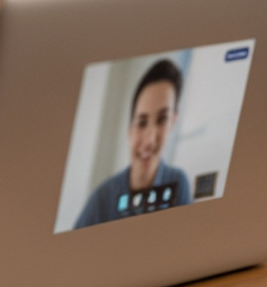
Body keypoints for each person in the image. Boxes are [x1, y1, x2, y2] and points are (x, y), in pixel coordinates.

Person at [74, 58, 192, 228]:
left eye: (162, 120)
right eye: (142, 123)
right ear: (130, 130)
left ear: (173, 121)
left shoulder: (179, 183)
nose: (150, 140)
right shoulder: (102, 198)